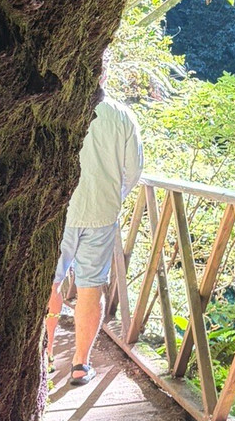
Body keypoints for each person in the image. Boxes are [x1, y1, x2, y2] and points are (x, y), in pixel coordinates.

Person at [45, 69, 144, 386]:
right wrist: (112, 197)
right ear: (104, 75)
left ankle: (43, 357)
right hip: (101, 214)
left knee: (49, 284)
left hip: (57, 211)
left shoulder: (57, 107)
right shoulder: (122, 115)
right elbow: (134, 170)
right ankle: (79, 365)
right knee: (90, 287)